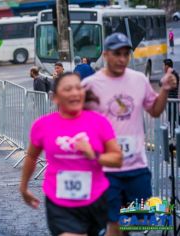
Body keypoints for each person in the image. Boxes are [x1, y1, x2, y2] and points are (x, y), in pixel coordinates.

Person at [82, 33, 177, 236]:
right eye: (117, 54)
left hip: (137, 167)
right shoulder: (90, 84)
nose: (122, 59)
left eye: (126, 54)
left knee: (137, 223)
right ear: (106, 55)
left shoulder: (139, 79)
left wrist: (165, 90)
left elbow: (155, 110)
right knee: (115, 223)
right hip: (107, 169)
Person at [20, 72, 122, 236]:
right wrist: (23, 187)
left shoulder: (99, 122)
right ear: (55, 97)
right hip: (59, 202)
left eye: (78, 88)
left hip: (95, 200)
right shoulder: (43, 125)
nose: (75, 93)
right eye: (68, 89)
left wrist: (94, 154)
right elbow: (31, 156)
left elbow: (117, 159)